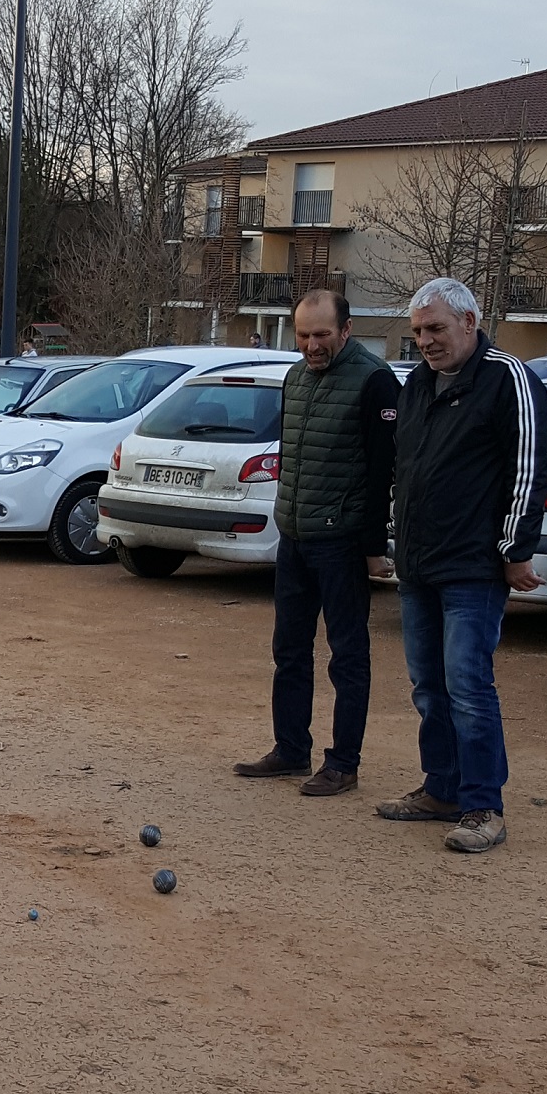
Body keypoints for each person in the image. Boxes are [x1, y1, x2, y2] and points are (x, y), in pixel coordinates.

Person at [376, 276, 547, 856]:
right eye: (419, 331)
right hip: (419, 563)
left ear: (470, 323)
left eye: (436, 329)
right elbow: (405, 469)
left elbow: (529, 470)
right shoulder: (417, 384)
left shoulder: (508, 379)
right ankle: (442, 790)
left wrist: (515, 549)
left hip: (474, 567)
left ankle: (483, 806)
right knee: (428, 688)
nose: (426, 341)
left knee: (469, 687)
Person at [235, 284, 398, 796]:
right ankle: (290, 749)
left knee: (347, 655)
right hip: (297, 537)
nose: (311, 345)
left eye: (322, 334)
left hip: (342, 542)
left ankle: (343, 763)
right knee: (289, 649)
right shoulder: (294, 378)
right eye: (304, 335)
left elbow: (381, 473)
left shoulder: (375, 382)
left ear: (346, 330)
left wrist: (373, 546)